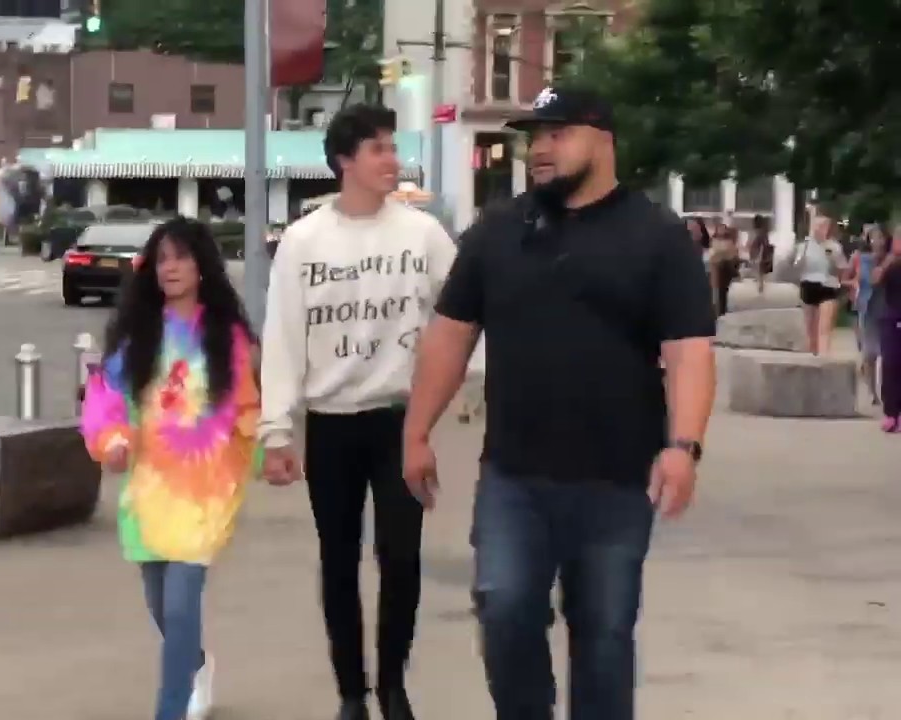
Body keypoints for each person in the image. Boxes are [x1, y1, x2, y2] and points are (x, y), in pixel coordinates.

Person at [401, 86, 716, 720]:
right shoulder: (497, 231)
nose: (539, 149)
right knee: (504, 607)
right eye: (532, 137)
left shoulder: (656, 236)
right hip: (515, 475)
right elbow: (450, 336)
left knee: (602, 638)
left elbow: (688, 350)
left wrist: (683, 446)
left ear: (604, 139)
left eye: (556, 133)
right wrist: (416, 431)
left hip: (617, 480)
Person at [258, 103, 455, 720]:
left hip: (400, 420)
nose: (391, 160)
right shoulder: (303, 240)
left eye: (392, 148)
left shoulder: (423, 235)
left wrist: (464, 387)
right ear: (345, 160)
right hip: (331, 422)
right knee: (337, 559)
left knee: (402, 557)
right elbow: (284, 337)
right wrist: (275, 430)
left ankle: (393, 684)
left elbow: (460, 316)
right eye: (377, 149)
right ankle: (351, 692)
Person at [80, 217, 259, 720]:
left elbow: (248, 407)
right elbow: (105, 397)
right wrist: (112, 440)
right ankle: (197, 663)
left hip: (206, 489)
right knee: (163, 607)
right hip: (150, 486)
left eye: (181, 256)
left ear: (202, 266)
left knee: (181, 608)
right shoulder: (139, 335)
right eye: (162, 259)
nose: (171, 267)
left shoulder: (228, 338)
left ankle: (170, 710)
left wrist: (272, 450)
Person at [846, 225, 888, 405]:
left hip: (887, 308)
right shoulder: (859, 258)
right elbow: (846, 277)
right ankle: (872, 392)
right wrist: (853, 285)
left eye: (880, 237)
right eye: (873, 237)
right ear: (868, 240)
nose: (877, 241)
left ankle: (887, 391)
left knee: (887, 354)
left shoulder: (891, 259)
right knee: (870, 353)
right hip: (867, 308)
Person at [795, 214, 849, 355]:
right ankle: (813, 356)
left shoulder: (834, 247)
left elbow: (842, 269)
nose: (819, 229)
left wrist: (833, 259)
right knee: (810, 330)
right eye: (817, 226)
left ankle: (823, 360)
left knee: (824, 328)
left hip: (828, 286)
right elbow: (797, 266)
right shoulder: (804, 246)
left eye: (823, 226)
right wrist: (800, 260)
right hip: (808, 285)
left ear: (828, 229)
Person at [871, 229, 901, 431]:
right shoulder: (889, 263)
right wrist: (891, 257)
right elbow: (875, 280)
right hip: (892, 316)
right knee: (891, 364)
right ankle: (891, 413)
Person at [709, 225, 740, 316]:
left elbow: (732, 254)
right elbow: (712, 254)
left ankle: (722, 308)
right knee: (715, 290)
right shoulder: (713, 240)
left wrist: (721, 254)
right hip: (716, 269)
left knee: (723, 290)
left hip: (725, 269)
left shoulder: (729, 241)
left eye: (723, 229)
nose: (721, 231)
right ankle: (715, 309)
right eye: (719, 229)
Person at [749, 215, 774, 293]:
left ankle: (760, 287)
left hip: (759, 252)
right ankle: (760, 285)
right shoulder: (763, 232)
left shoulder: (758, 232)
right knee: (760, 271)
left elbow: (758, 244)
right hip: (762, 252)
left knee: (759, 270)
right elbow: (765, 243)